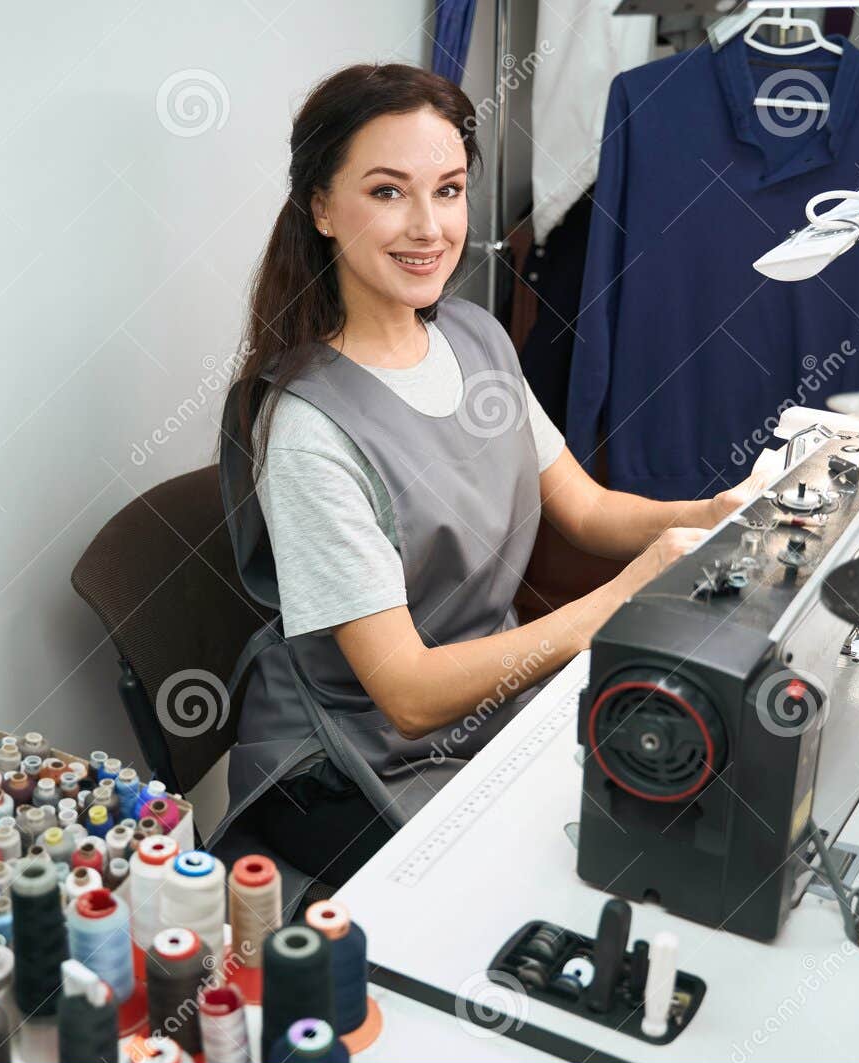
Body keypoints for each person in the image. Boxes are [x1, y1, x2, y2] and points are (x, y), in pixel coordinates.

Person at [213, 63, 761, 890]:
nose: (430, 226)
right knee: (554, 880)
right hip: (353, 758)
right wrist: (620, 599)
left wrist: (719, 510)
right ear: (323, 208)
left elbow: (585, 508)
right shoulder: (309, 428)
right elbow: (405, 691)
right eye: (389, 192)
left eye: (450, 189)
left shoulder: (474, 337)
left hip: (490, 702)